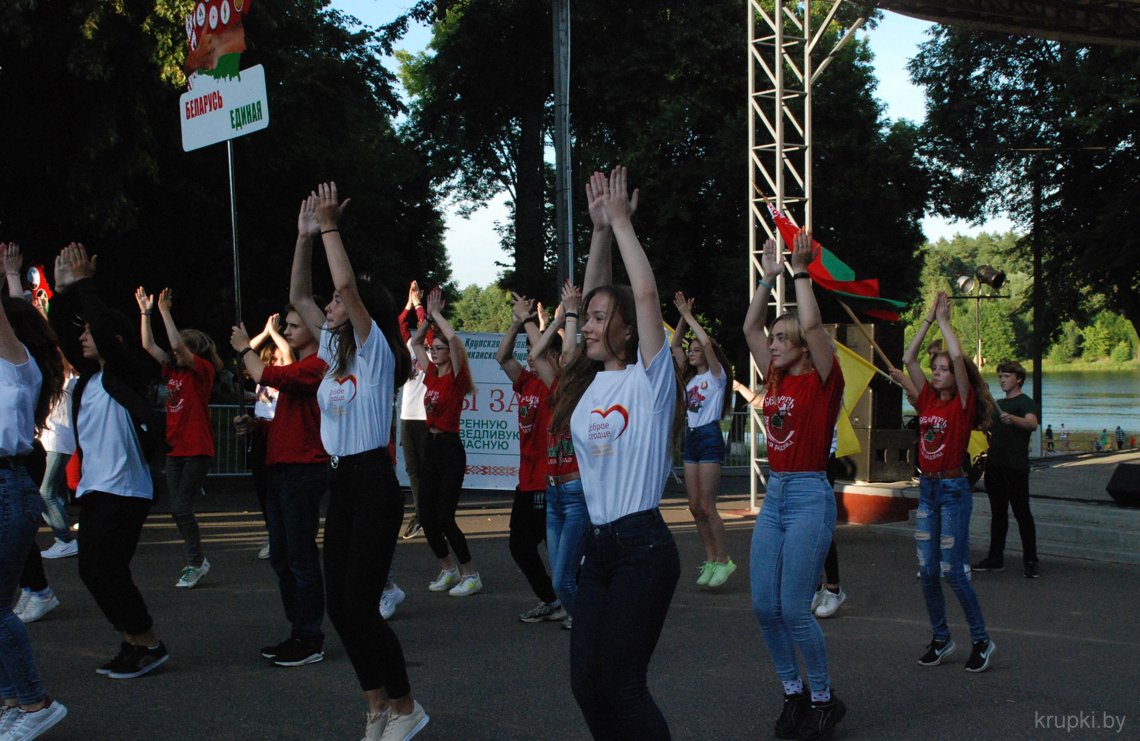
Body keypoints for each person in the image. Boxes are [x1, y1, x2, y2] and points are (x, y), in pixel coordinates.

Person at [291, 184, 428, 740]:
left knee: (362, 606)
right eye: (329, 306)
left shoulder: (372, 351)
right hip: (341, 481)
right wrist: (304, 239)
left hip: (373, 479)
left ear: (358, 311)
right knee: (339, 608)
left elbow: (345, 283)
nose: (328, 306)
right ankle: (375, 706)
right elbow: (300, 293)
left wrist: (329, 227)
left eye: (337, 305)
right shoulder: (330, 351)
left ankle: (407, 708)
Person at [549, 167, 682, 738]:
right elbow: (593, 290)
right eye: (591, 319)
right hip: (597, 549)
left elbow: (644, 294)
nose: (591, 326)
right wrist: (599, 231)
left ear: (628, 333)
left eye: (603, 320)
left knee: (623, 683)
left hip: (641, 548)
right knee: (587, 683)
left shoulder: (648, 383)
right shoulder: (584, 382)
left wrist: (624, 224)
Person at [743, 228, 847, 740]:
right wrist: (767, 278)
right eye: (776, 339)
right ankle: (793, 693)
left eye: (784, 339)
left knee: (792, 608)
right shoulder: (777, 378)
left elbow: (810, 322)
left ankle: (825, 698)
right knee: (764, 606)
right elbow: (748, 328)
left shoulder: (822, 380)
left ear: (805, 348)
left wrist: (801, 272)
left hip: (809, 494)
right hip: (776, 496)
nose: (775, 344)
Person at [50, 243, 170, 680]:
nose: (81, 337)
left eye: (91, 333)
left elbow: (99, 325)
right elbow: (63, 333)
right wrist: (63, 293)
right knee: (93, 570)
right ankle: (132, 641)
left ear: (111, 340)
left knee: (106, 570)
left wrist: (85, 285)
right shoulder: (90, 381)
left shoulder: (126, 373)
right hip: (97, 489)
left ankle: (149, 643)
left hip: (127, 490)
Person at [902, 291, 997, 674]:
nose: (937, 371)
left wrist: (944, 322)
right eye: (935, 368)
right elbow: (908, 358)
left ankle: (982, 640)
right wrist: (926, 319)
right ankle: (941, 638)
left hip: (954, 491)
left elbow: (960, 360)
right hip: (928, 489)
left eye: (942, 368)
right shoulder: (927, 399)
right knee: (926, 572)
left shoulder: (962, 402)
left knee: (952, 571)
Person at [231, 299, 330, 668]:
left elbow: (268, 376)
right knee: (282, 556)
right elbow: (282, 413)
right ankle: (298, 632)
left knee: (300, 557)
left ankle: (309, 636)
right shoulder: (304, 365)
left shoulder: (319, 364)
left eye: (293, 325)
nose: (287, 331)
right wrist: (255, 426)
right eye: (286, 325)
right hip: (280, 468)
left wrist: (245, 347)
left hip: (303, 471)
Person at [0, 243, 69, 739]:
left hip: (8, 488)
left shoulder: (19, 368)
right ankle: (13, 701)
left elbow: (10, 317)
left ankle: (35, 703)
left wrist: (6, 276)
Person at [137, 286, 222, 588]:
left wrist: (165, 312)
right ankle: (196, 560)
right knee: (177, 508)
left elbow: (178, 346)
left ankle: (196, 561)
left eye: (179, 351)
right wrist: (146, 314)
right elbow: (149, 345)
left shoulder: (203, 371)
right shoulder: (173, 372)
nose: (173, 353)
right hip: (176, 449)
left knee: (181, 507)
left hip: (197, 448)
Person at [494, 293, 564, 623]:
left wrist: (530, 322)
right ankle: (552, 600)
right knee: (520, 546)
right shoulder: (527, 383)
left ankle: (572, 602)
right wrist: (514, 322)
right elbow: (502, 357)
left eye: (538, 355)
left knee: (559, 548)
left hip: (549, 479)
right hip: (527, 480)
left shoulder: (556, 385)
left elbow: (540, 351)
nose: (530, 358)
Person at [411, 287, 481, 597]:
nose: (434, 351)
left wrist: (438, 315)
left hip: (451, 448)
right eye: (433, 349)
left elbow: (454, 341)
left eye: (438, 349)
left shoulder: (456, 378)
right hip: (431, 446)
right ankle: (448, 569)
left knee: (444, 517)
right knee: (426, 517)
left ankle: (471, 574)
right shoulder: (431, 375)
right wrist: (425, 320)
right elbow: (415, 341)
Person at [670, 291, 735, 588]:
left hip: (708, 435)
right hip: (692, 438)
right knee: (695, 506)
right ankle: (710, 559)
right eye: (691, 350)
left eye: (696, 350)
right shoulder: (690, 378)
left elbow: (707, 343)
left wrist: (689, 316)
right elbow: (674, 346)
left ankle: (724, 559)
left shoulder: (716, 376)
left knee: (708, 506)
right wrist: (681, 324)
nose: (693, 351)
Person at [532, 282, 584, 630]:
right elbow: (538, 355)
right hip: (553, 494)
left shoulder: (585, 390)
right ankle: (590, 624)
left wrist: (573, 314)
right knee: (563, 577)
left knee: (563, 581)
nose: (559, 362)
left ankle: (590, 626)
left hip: (577, 492)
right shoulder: (553, 387)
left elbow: (569, 355)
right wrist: (555, 321)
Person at [975, 360, 1040, 578]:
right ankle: (995, 558)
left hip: (1016, 468)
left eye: (1007, 376)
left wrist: (1012, 419)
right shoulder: (997, 404)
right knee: (998, 514)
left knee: (1022, 514)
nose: (1002, 380)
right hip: (995, 466)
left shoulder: (1024, 402)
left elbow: (1032, 424)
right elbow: (984, 425)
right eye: (1000, 377)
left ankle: (1031, 560)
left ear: (1018, 379)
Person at [396, 281, 429, 541]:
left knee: (427, 468)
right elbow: (398, 325)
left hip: (427, 416)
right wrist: (408, 304)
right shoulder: (406, 347)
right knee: (412, 469)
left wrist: (419, 306)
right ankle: (420, 513)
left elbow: (426, 330)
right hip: (408, 414)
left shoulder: (430, 346)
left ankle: (427, 513)